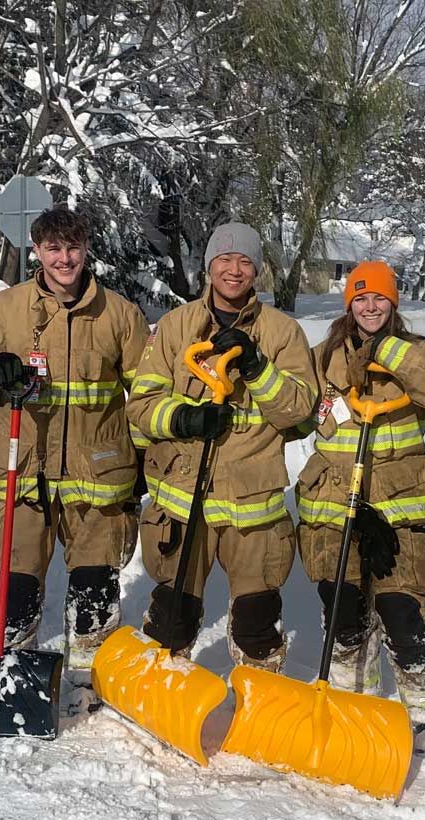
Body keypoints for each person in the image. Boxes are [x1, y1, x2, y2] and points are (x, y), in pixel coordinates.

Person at [0, 207, 149, 689]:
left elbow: (147, 394)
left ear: (86, 248)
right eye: (54, 248)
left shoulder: (119, 314)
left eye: (74, 247)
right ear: (37, 251)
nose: (65, 258)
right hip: (23, 471)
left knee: (93, 591)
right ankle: (9, 677)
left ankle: (88, 683)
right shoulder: (6, 309)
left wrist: (146, 463)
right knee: (14, 588)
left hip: (97, 479)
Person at [126, 222, 316, 671]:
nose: (235, 269)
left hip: (253, 505)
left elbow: (301, 413)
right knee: (173, 615)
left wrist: (256, 366)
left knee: (257, 622)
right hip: (182, 497)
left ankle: (260, 704)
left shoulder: (283, 333)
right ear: (209, 267)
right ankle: (162, 692)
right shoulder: (176, 326)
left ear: (257, 271)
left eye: (245, 261)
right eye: (225, 260)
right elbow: (141, 406)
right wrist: (184, 417)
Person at [294, 260, 425, 751]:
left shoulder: (418, 353)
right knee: (343, 610)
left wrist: (385, 349)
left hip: (398, 503)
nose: (369, 307)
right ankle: (350, 699)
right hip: (333, 501)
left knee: (401, 607)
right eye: (360, 299)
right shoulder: (323, 354)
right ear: (349, 303)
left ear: (394, 303)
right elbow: (297, 406)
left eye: (379, 299)